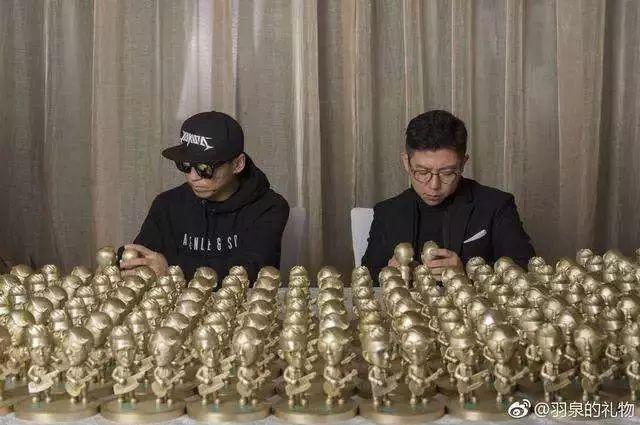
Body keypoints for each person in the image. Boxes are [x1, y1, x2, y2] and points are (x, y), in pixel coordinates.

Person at [362, 109, 534, 281]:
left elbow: (527, 269)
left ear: (463, 164)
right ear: (406, 163)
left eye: (447, 173)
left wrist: (465, 273)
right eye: (422, 172)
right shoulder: (387, 212)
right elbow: (367, 275)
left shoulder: (497, 206)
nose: (434, 185)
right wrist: (388, 273)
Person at [119, 111, 289, 282]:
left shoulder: (270, 207)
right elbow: (143, 257)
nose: (193, 177)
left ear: (238, 164)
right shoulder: (167, 204)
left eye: (204, 168)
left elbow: (251, 272)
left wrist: (169, 269)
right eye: (185, 165)